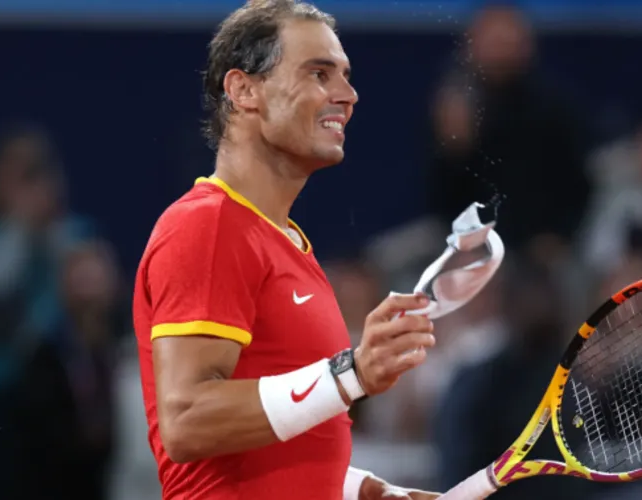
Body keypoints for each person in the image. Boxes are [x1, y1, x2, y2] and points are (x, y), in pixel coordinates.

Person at [132, 2, 440, 499]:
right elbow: (187, 420)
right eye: (319, 73)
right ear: (244, 90)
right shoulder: (207, 226)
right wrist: (353, 373)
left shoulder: (286, 242)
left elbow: (264, 454)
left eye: (345, 75)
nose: (348, 95)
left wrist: (369, 492)